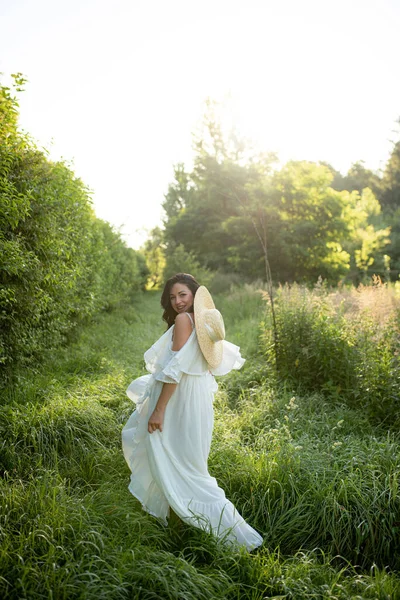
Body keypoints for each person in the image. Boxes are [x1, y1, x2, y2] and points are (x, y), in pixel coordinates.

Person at [121, 272, 263, 551]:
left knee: (176, 461)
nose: (177, 302)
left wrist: (159, 409)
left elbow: (175, 371)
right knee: (189, 464)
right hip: (196, 399)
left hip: (180, 398)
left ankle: (235, 536)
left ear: (194, 295)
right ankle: (184, 526)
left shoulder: (185, 320)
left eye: (182, 295)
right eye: (172, 297)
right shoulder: (203, 323)